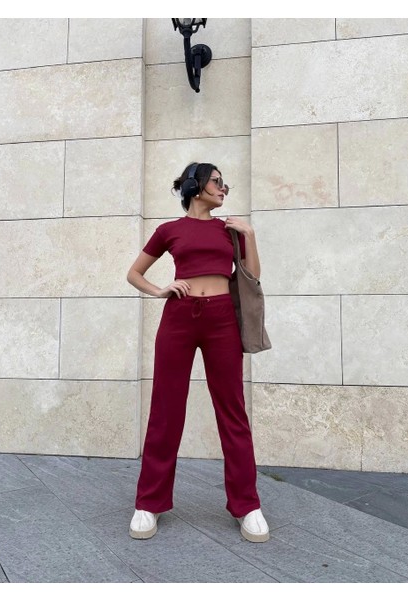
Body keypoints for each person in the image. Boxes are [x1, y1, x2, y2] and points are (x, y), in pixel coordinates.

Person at [126, 162, 269, 543]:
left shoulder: (230, 230)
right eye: (217, 182)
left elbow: (252, 276)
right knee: (166, 408)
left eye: (225, 183)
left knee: (232, 410)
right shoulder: (169, 230)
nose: (223, 188)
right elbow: (134, 273)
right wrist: (160, 290)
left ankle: (247, 505)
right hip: (179, 317)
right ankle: (149, 502)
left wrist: (250, 235)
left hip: (222, 319)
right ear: (196, 185)